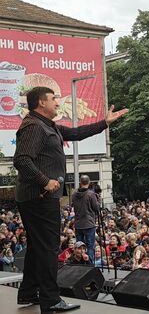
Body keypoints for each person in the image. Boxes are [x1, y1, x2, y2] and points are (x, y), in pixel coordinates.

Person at [13, 86, 127, 312]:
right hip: (39, 196)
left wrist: (104, 123)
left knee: (38, 247)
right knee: (47, 248)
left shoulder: (47, 125)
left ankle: (28, 292)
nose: (57, 102)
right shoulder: (34, 127)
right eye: (53, 98)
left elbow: (76, 133)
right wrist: (45, 181)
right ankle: (51, 300)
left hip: (37, 196)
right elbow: (21, 160)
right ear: (41, 103)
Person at [71, 174, 99, 263]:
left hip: (78, 224)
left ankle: (80, 265)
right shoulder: (90, 194)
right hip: (89, 223)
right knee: (90, 246)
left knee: (79, 247)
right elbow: (96, 208)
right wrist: (98, 201)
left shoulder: (74, 194)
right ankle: (89, 265)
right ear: (89, 182)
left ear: (80, 182)